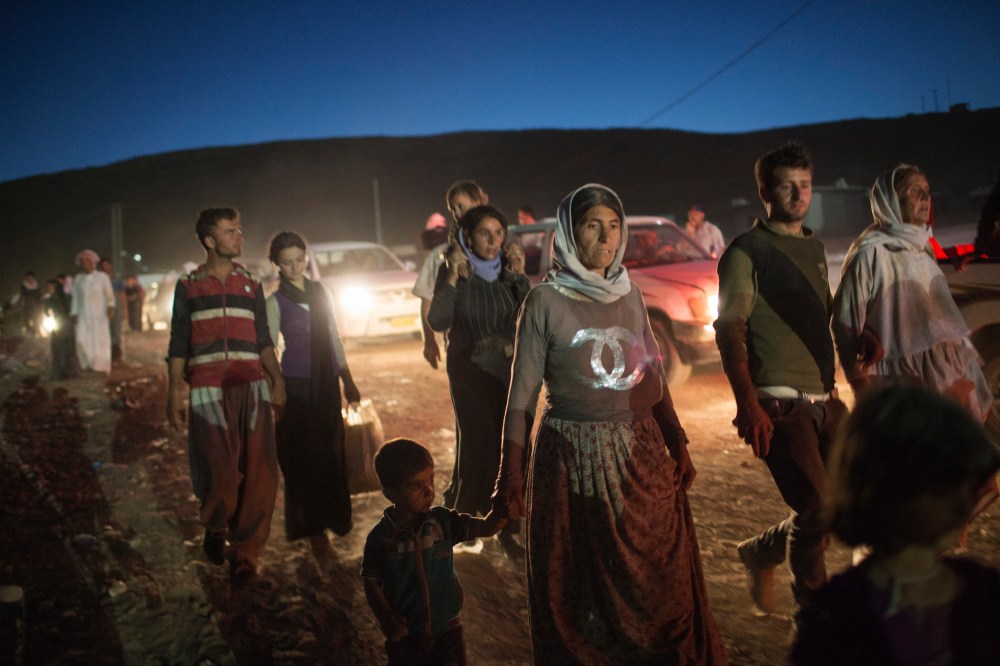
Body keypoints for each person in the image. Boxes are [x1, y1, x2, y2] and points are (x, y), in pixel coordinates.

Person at [495, 184, 726, 663]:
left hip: (641, 454)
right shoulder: (543, 303)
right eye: (591, 224)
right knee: (585, 598)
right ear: (568, 231)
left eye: (613, 225)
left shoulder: (632, 295)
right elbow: (520, 401)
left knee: (661, 583)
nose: (605, 236)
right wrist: (510, 478)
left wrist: (677, 442)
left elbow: (653, 373)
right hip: (573, 464)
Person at [714, 142, 847, 615]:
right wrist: (746, 404)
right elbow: (729, 328)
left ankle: (758, 552)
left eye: (805, 185)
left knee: (848, 502)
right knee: (816, 510)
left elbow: (819, 319)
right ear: (765, 191)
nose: (798, 194)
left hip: (825, 401)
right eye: (787, 185)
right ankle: (812, 623)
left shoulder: (813, 247)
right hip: (778, 406)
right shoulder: (746, 252)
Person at [789, 384, 1000, 665]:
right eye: (951, 483)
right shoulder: (839, 618)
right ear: (892, 491)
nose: (967, 501)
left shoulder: (985, 591)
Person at [166, 207, 286, 583]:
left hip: (251, 387)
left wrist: (276, 378)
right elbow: (178, 342)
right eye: (230, 231)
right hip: (206, 389)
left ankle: (246, 556)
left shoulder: (251, 284)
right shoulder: (188, 286)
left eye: (239, 229)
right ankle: (217, 525)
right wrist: (173, 391)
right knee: (217, 469)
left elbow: (263, 338)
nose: (239, 236)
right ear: (208, 240)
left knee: (259, 473)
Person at [833, 164, 992, 422]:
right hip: (902, 385)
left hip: (947, 377)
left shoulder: (922, 246)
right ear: (891, 201)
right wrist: (859, 386)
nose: (925, 198)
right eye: (914, 191)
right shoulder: (870, 253)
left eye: (927, 191)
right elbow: (844, 323)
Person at [427, 205, 529, 554]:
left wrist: (518, 276)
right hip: (469, 370)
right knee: (479, 444)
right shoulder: (456, 270)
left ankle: (508, 526)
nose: (493, 240)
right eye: (485, 233)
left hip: (507, 371)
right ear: (467, 237)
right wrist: (454, 278)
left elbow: (528, 316)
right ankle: (468, 523)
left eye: (499, 233)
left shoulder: (509, 273)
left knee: (513, 446)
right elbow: (438, 320)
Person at [361, 437, 507, 666]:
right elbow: (371, 582)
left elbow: (486, 527)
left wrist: (502, 512)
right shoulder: (382, 538)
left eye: (431, 480)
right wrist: (387, 619)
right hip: (406, 634)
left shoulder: (443, 521)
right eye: (416, 486)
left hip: (448, 629)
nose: (429, 491)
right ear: (390, 493)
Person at [265, 231, 362, 561]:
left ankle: (334, 517)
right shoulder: (274, 303)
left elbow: (334, 335)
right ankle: (314, 529)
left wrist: (348, 379)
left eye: (300, 260)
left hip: (326, 385)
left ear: (307, 258)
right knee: (307, 459)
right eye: (287, 262)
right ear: (276, 264)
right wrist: (276, 386)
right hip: (297, 388)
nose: (294, 267)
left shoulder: (321, 292)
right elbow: (268, 351)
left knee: (332, 454)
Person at [412, 181, 489, 370]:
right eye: (453, 209)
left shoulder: (499, 253)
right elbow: (428, 299)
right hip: (461, 350)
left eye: (461, 206)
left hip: (499, 351)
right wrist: (429, 341)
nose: (456, 213)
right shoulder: (441, 256)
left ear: (478, 202)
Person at [71, 249, 115, 374]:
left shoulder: (102, 277)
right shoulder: (78, 279)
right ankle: (87, 364)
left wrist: (110, 308)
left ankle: (100, 366)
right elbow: (75, 298)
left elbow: (109, 295)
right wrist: (74, 313)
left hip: (99, 315)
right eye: (82, 262)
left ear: (92, 263)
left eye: (86, 261)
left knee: (99, 341)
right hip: (83, 315)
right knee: (81, 340)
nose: (84, 264)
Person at [44, 278, 74, 380]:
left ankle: (65, 372)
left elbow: (71, 309)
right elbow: (47, 312)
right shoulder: (49, 300)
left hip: (64, 327)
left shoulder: (66, 298)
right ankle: (58, 373)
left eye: (52, 287)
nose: (49, 289)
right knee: (58, 351)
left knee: (65, 350)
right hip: (58, 327)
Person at [99, 258, 126, 363]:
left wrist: (125, 310)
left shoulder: (116, 280)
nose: (105, 267)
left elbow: (122, 295)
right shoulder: (99, 280)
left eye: (107, 265)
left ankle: (118, 356)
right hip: (104, 310)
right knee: (107, 333)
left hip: (117, 309)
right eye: (103, 265)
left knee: (117, 332)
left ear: (110, 266)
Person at [19, 272, 43, 336]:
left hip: (36, 306)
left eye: (31, 278)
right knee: (27, 320)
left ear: (34, 278)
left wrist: (40, 304)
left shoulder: (36, 286)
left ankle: (36, 332)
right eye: (28, 278)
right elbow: (22, 296)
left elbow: (39, 296)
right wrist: (22, 304)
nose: (30, 280)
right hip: (27, 306)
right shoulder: (24, 287)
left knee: (37, 319)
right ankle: (30, 332)